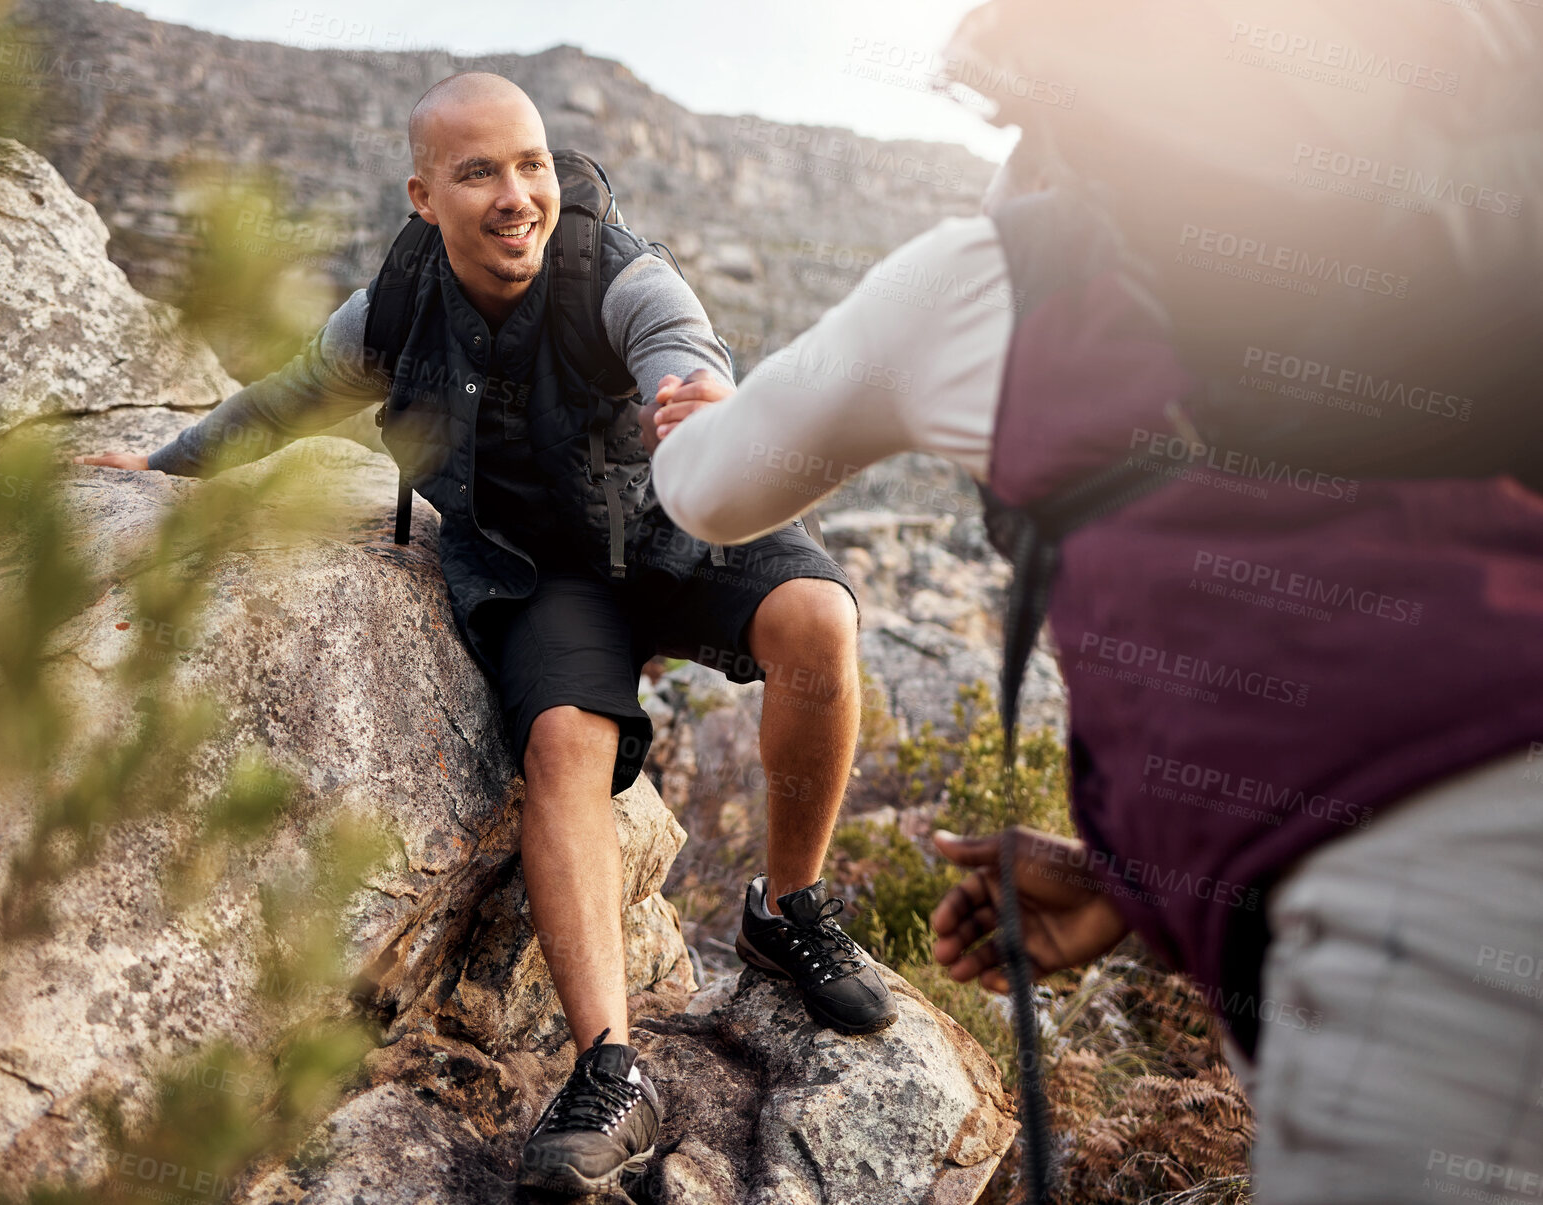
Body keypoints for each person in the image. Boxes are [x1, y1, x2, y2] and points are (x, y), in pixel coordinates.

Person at [651, 5, 1543, 1202]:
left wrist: (690, 414)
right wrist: (1136, 876)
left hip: (1447, 960)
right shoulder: (1486, 230)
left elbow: (712, 496)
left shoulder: (999, 280)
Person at [75, 72, 895, 1197]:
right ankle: (612, 1068)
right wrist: (162, 467)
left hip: (672, 519)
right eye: (478, 172)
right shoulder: (396, 312)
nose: (517, 195)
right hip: (540, 566)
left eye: (532, 164)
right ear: (424, 195)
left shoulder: (618, 271)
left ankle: (788, 908)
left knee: (820, 616)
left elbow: (684, 351)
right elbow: (282, 401)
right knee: (565, 741)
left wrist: (703, 404)